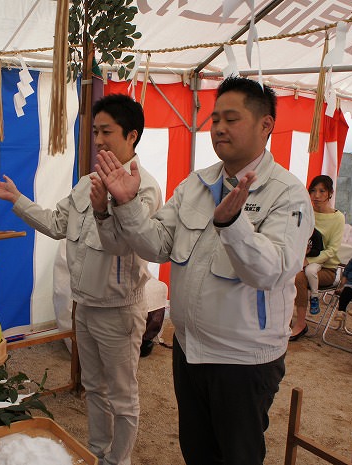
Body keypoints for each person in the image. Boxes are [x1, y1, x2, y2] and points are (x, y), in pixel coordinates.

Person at [91, 76, 313, 465]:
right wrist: (124, 205)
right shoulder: (198, 183)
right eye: (214, 119)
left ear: (266, 125)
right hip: (190, 350)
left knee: (237, 454)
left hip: (243, 360)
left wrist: (234, 226)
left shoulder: (287, 194)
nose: (220, 128)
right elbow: (157, 245)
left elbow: (272, 271)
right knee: (197, 450)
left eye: (232, 118)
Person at [0, 93, 162, 465]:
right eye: (94, 131)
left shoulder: (143, 188)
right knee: (94, 388)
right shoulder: (87, 183)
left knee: (123, 395)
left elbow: (131, 242)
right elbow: (55, 224)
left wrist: (109, 208)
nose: (97, 140)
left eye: (106, 131)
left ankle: (120, 460)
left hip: (118, 310)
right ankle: (97, 454)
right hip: (85, 306)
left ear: (131, 135)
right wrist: (17, 199)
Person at [289, 175, 345, 341]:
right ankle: (281, 320)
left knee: (299, 277)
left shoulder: (338, 218)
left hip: (327, 269)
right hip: (300, 261)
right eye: (313, 190)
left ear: (330, 193)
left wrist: (309, 261)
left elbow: (333, 250)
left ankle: (300, 324)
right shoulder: (305, 213)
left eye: (322, 191)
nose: (316, 195)